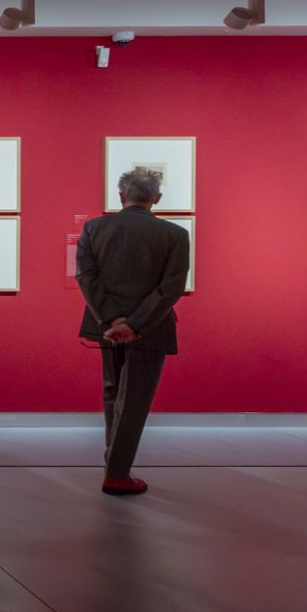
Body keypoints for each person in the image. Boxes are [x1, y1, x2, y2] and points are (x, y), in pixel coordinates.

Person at [76, 167, 191, 496]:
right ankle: (117, 473)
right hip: (150, 329)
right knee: (135, 400)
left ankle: (115, 463)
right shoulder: (174, 235)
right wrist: (135, 324)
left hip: (106, 329)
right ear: (157, 198)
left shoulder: (94, 228)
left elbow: (86, 278)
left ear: (121, 195)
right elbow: (170, 289)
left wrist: (113, 321)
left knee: (113, 395)